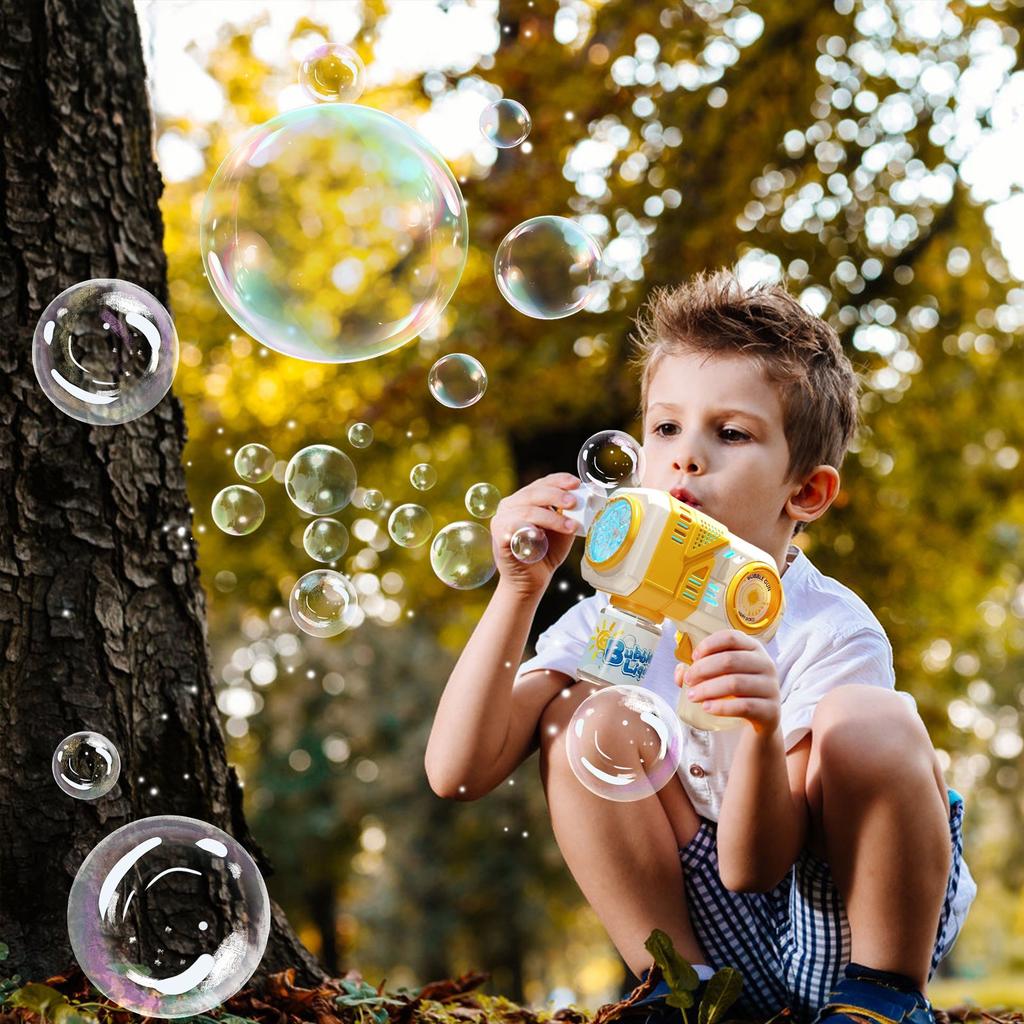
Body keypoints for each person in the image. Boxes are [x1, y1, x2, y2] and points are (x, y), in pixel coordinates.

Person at [424, 269, 977, 1024]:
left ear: (805, 492)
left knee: (870, 720)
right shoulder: (611, 618)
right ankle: (680, 992)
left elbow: (761, 866)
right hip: (720, 942)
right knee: (579, 713)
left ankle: (885, 1001)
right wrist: (519, 589)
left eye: (731, 433)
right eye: (665, 428)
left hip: (846, 913)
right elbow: (457, 770)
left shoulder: (830, 627)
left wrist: (758, 731)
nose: (685, 457)